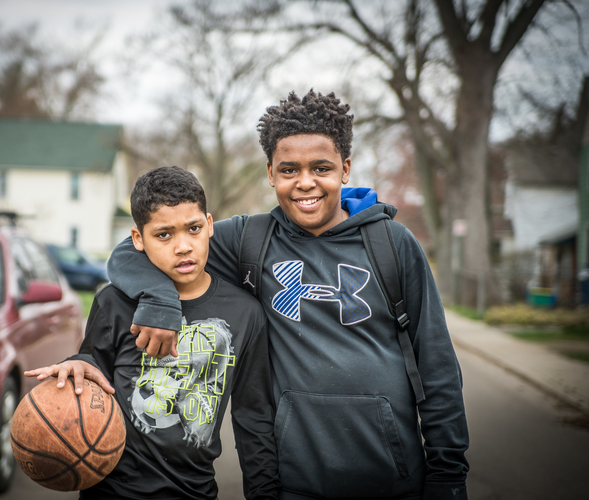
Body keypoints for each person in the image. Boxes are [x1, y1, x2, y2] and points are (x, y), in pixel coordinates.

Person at [106, 90, 470, 500]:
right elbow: (132, 250)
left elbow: (437, 367)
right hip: (294, 484)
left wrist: (448, 476)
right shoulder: (249, 239)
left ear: (345, 169)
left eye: (321, 167)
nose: (305, 182)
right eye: (289, 169)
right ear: (270, 173)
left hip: (394, 481)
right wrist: (160, 299)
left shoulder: (392, 244)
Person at [25, 166, 279, 500]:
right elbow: (92, 365)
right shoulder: (114, 302)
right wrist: (77, 364)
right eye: (164, 235)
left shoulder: (246, 313)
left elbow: (254, 418)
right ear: (137, 239)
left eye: (193, 228)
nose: (183, 246)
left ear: (210, 226)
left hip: (195, 490)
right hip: (113, 491)